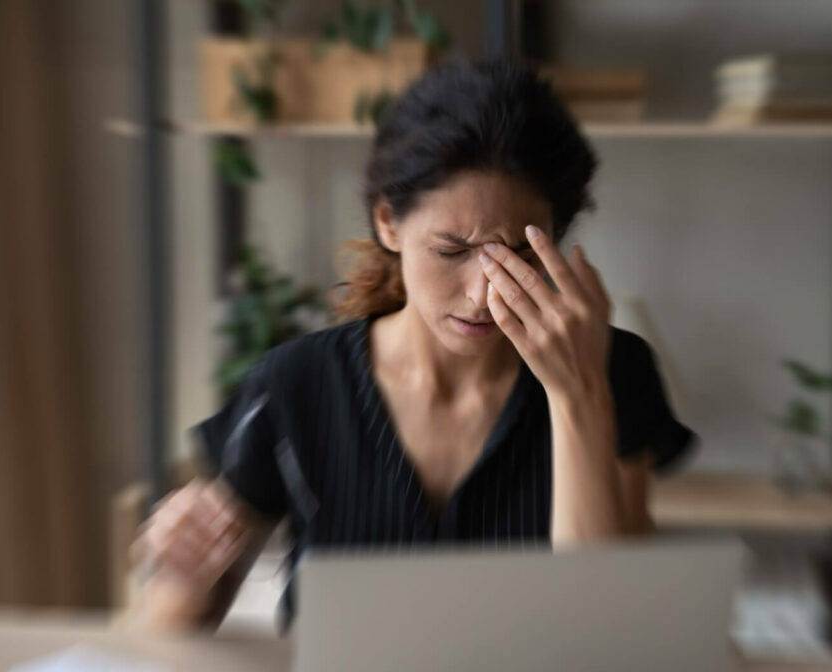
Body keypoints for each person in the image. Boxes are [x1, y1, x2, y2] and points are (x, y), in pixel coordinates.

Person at [132, 59, 694, 631]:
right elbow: (176, 627)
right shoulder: (294, 384)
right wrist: (182, 571)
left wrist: (578, 397)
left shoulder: (613, 371)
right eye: (452, 250)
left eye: (520, 256)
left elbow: (611, 631)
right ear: (388, 223)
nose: (481, 295)